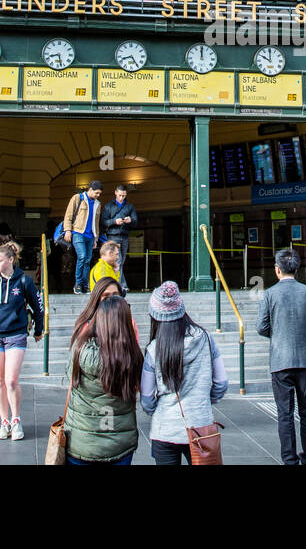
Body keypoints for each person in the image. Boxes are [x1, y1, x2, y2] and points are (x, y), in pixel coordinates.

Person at [141, 281, 228, 464]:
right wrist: (204, 400)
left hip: (165, 429)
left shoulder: (153, 349)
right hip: (201, 426)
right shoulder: (205, 338)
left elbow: (147, 397)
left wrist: (157, 411)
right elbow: (221, 382)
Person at [257, 248, 306, 465]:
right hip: (305, 360)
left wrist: (277, 335)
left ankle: (289, 459)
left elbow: (261, 326)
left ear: (277, 270)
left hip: (280, 361)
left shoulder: (269, 294)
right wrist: (305, 333)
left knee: (285, 414)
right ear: (297, 268)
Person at [0, 241, 44, 441]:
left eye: (0, 260)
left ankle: (16, 418)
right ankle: (4, 421)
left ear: (10, 260)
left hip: (16, 334)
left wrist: (39, 328)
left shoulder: (24, 281)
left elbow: (37, 305)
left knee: (11, 379)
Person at [64, 295, 142, 464]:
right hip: (120, 444)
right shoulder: (132, 355)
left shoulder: (80, 348)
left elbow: (71, 377)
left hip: (81, 442)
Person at [62, 180, 103, 295]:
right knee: (82, 257)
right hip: (78, 232)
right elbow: (68, 215)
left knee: (87, 260)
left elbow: (96, 221)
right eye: (96, 193)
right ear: (90, 190)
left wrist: (96, 238)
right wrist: (68, 230)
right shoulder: (77, 198)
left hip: (90, 236)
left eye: (99, 194)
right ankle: (78, 284)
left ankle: (85, 285)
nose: (98, 195)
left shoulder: (97, 204)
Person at [100, 183, 138, 292]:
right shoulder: (108, 206)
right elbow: (103, 222)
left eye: (124, 196)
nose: (122, 197)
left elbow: (135, 222)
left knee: (121, 261)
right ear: (115, 193)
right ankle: (121, 285)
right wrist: (114, 221)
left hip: (125, 236)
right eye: (120, 195)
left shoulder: (130, 207)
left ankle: (117, 283)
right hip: (113, 236)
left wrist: (130, 220)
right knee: (118, 260)